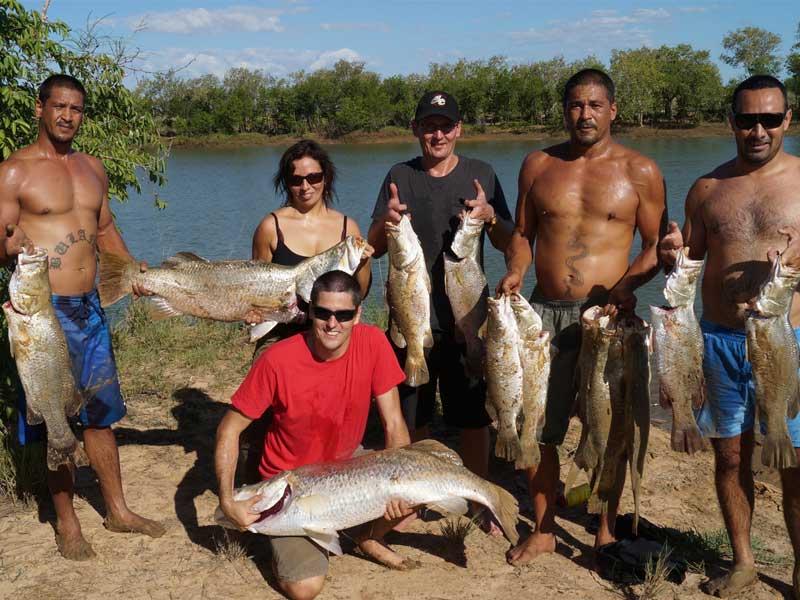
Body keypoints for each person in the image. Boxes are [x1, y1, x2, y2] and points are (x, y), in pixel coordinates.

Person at [496, 69, 666, 564]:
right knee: (537, 426)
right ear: (564, 110)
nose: (584, 114)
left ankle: (605, 532)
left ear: (613, 110)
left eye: (594, 105)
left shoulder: (641, 171)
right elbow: (523, 234)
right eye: (575, 105)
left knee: (610, 431)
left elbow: (655, 247)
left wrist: (626, 287)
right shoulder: (538, 164)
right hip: (543, 313)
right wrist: (514, 270)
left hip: (607, 319)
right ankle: (545, 527)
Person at [0, 74, 164, 560]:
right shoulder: (13, 172)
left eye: (76, 109)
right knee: (56, 415)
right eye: (59, 107)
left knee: (100, 411)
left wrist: (132, 270)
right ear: (39, 109)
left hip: (91, 308)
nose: (68, 116)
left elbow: (105, 227)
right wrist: (9, 244)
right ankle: (67, 523)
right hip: (42, 314)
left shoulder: (93, 168)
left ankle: (117, 509)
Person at [659, 74, 800, 599]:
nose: (758, 129)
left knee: (794, 462)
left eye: (769, 118)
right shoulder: (707, 189)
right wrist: (672, 251)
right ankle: (743, 562)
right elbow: (687, 261)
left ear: (787, 119)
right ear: (732, 123)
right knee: (731, 457)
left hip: (789, 340)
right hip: (717, 340)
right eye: (747, 119)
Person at [215, 270, 413, 600]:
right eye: (323, 313)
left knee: (417, 481)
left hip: (348, 467)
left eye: (344, 314)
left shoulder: (375, 342)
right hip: (292, 487)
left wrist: (403, 486)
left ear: (358, 314)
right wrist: (225, 499)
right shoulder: (276, 360)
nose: (332, 323)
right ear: (310, 312)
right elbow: (228, 429)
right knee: (305, 589)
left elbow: (394, 424)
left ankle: (367, 536)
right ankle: (288, 534)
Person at [367, 90, 513, 482]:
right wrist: (388, 220)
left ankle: (477, 494)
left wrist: (490, 217)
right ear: (416, 129)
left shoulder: (481, 173)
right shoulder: (399, 176)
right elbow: (376, 248)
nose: (438, 136)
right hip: (413, 319)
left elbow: (509, 241)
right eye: (429, 127)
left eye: (445, 127)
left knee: (472, 417)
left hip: (466, 319)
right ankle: (419, 488)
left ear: (459, 130)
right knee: (412, 413)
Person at [250, 139, 373, 343]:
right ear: (287, 183)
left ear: (326, 178)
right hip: (281, 335)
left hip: (333, 334)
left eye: (313, 177)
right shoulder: (270, 227)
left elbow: (360, 292)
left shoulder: (348, 227)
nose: (305, 186)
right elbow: (257, 289)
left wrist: (364, 262)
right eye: (296, 179)